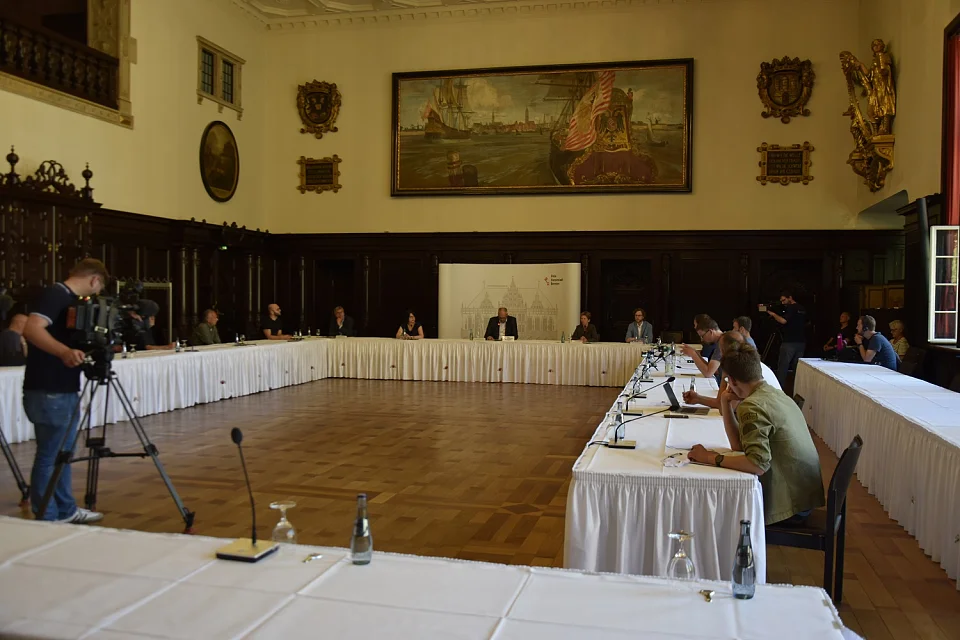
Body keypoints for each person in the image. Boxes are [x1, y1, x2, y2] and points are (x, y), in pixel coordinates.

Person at [687, 345, 825, 525]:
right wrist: (725, 403)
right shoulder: (775, 393)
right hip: (803, 498)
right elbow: (739, 447)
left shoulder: (752, 405)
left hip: (789, 506)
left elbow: (757, 465)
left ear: (732, 381)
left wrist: (709, 457)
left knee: (708, 513)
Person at [22, 258, 109, 524]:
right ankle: (48, 516)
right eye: (98, 289)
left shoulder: (65, 298)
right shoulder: (56, 294)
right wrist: (64, 352)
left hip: (60, 388)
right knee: (50, 455)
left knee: (62, 453)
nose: (95, 295)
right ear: (94, 280)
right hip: (50, 389)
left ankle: (65, 510)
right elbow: (31, 327)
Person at [682, 332, 782, 412]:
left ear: (723, 351)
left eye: (719, 349)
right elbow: (721, 402)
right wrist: (698, 399)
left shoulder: (738, 370)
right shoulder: (750, 363)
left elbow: (726, 409)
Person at [763, 290, 806, 386]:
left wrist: (773, 314)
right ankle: (798, 387)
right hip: (801, 342)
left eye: (784, 300)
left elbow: (783, 321)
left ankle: (779, 387)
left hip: (789, 341)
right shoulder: (802, 308)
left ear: (790, 297)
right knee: (797, 368)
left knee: (783, 366)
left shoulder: (791, 308)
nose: (783, 303)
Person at [681, 317, 723, 382]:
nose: (702, 339)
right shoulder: (721, 340)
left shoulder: (723, 343)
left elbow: (708, 373)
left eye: (702, 336)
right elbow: (709, 367)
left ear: (710, 332)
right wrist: (695, 352)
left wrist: (693, 354)